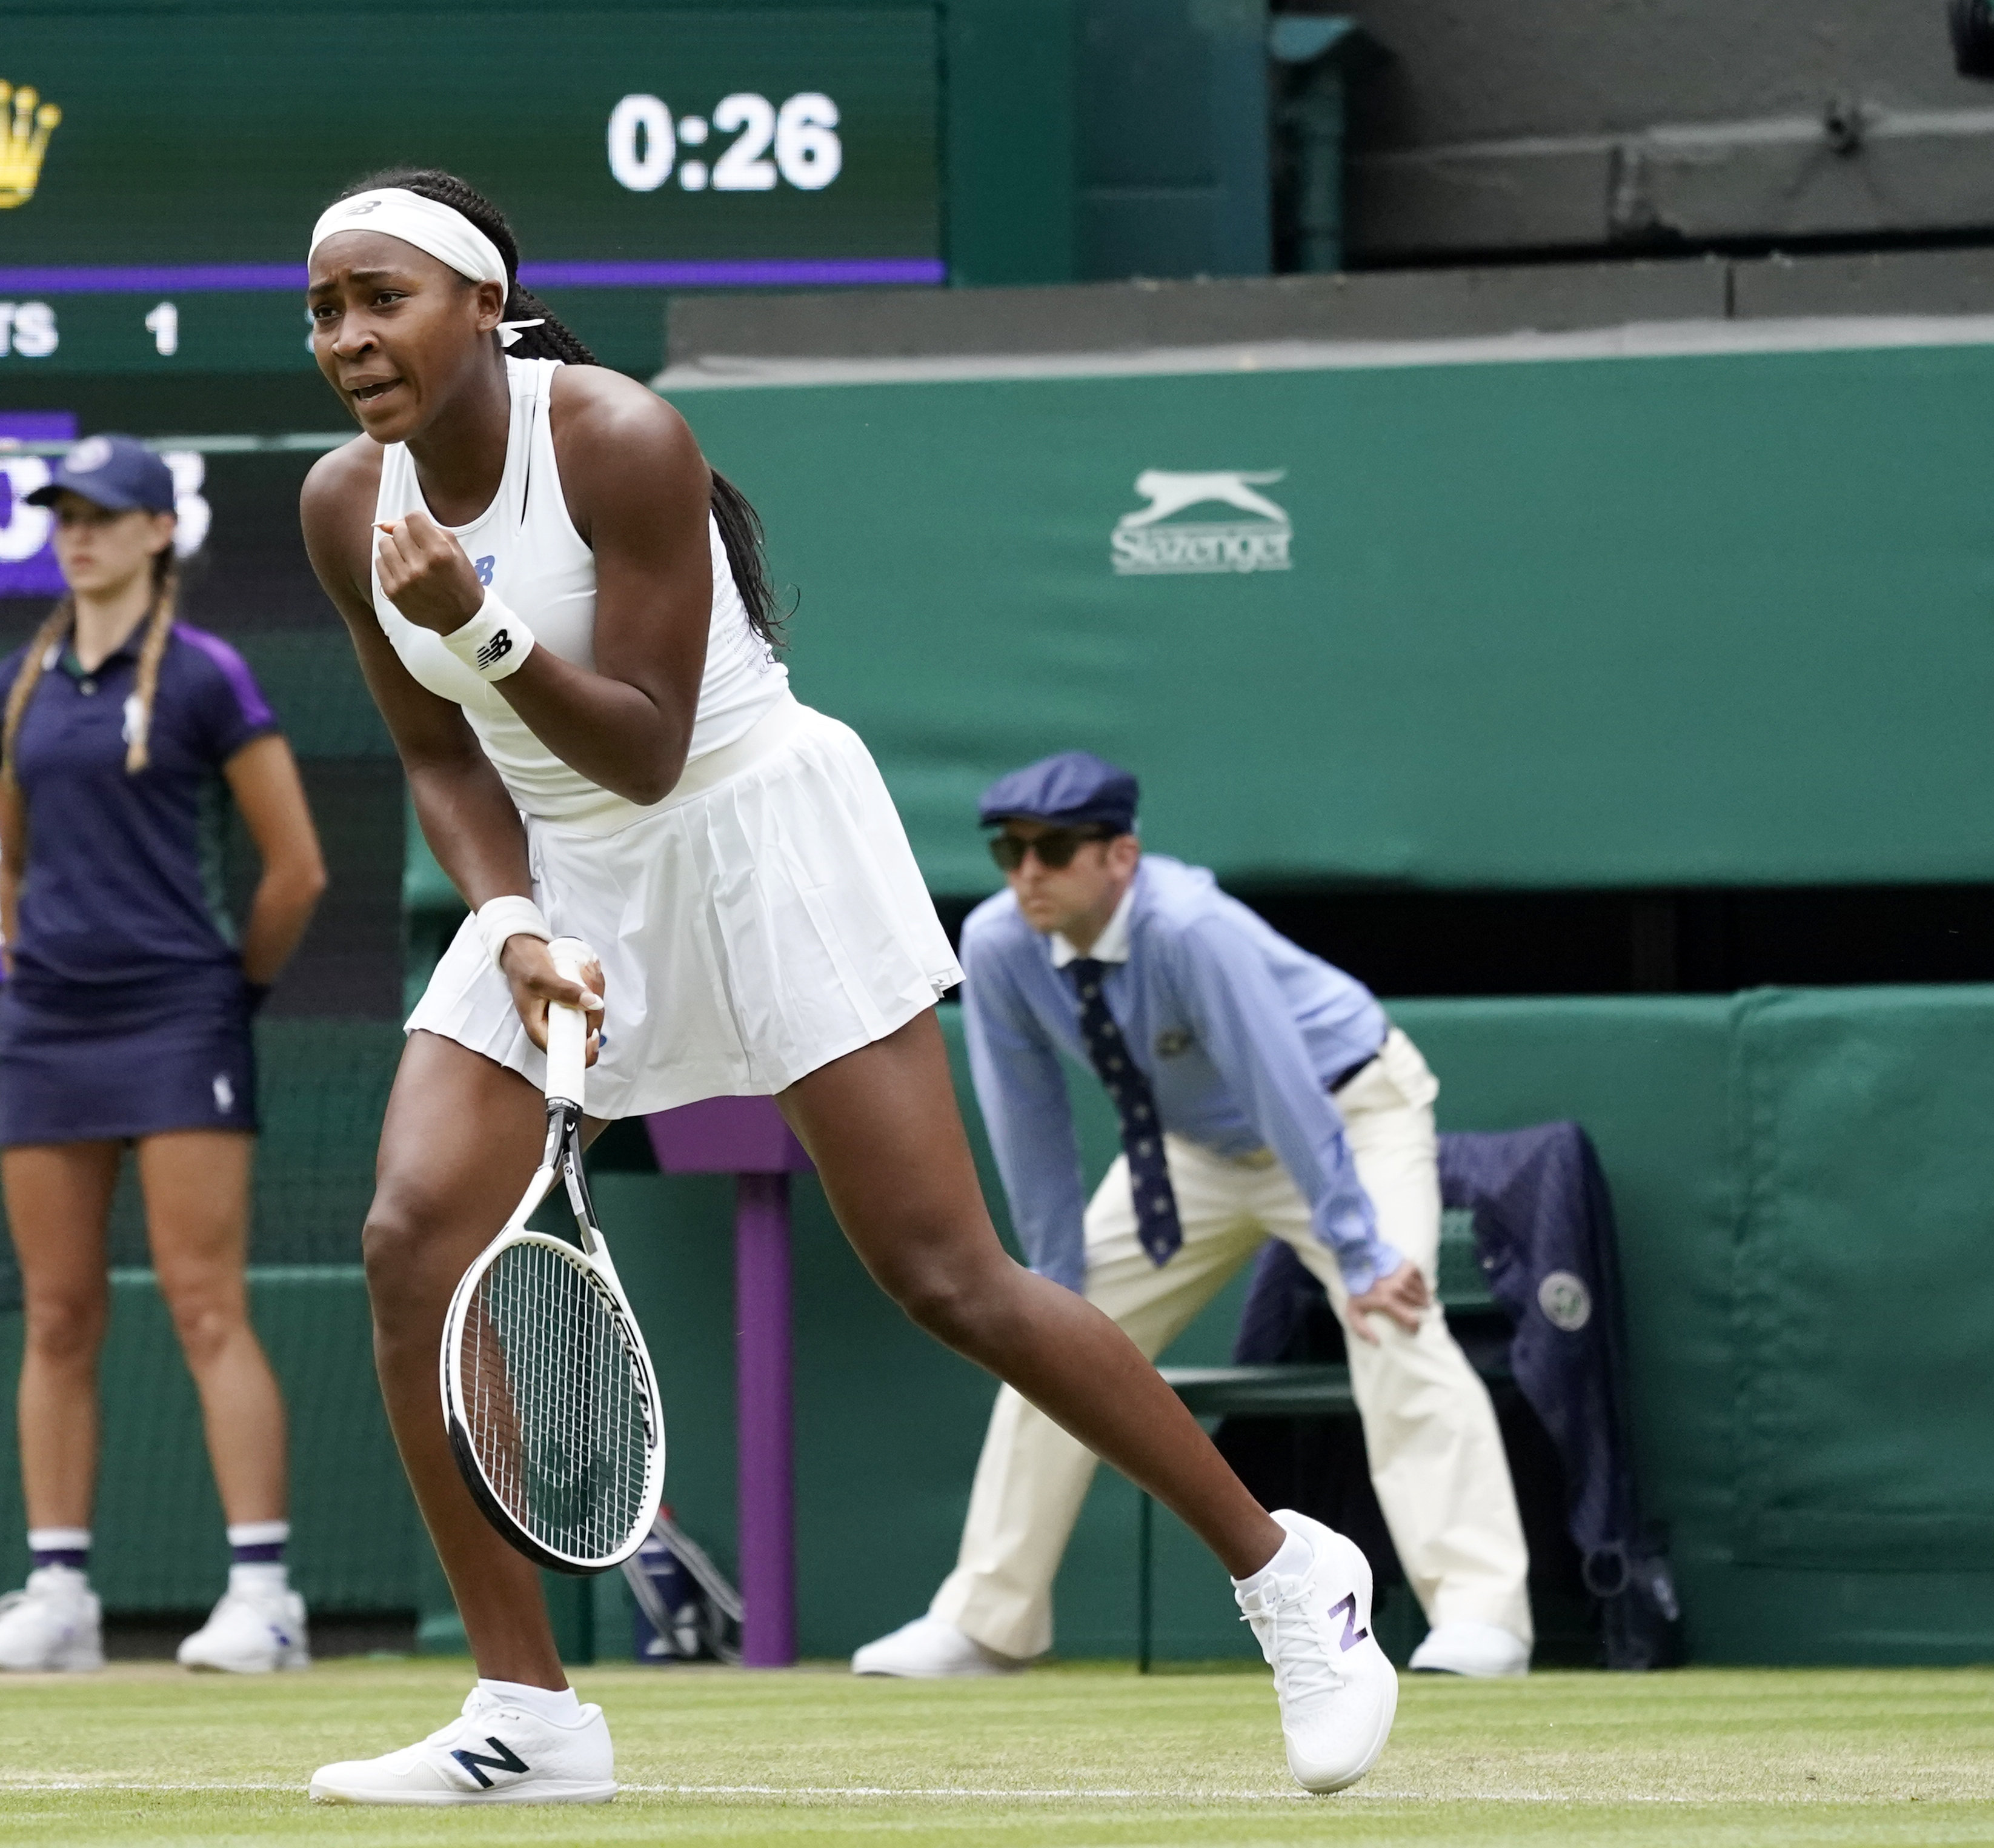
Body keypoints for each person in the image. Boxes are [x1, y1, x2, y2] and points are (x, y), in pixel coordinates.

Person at [294, 168, 1397, 1806]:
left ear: (480, 302)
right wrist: (515, 918)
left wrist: (491, 625)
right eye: (322, 308)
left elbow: (654, 747)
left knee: (947, 1276)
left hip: (751, 825)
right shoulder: (340, 504)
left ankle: (1286, 1569)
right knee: (408, 1243)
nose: (346, 337)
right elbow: (435, 755)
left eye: (380, 297)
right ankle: (528, 1709)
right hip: (561, 869)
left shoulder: (615, 439)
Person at [852, 752, 1533, 1681]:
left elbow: (1283, 1087)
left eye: (1053, 849)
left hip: (1347, 1116)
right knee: (1040, 1331)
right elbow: (1030, 1118)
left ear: (1120, 856)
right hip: (1192, 1154)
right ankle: (987, 1618)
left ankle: (1483, 1614)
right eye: (1009, 851)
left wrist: (1361, 1247)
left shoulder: (1191, 928)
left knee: (1393, 1314)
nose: (1026, 873)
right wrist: (1054, 1278)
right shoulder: (1000, 943)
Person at [0, 434, 328, 1675]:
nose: (81, 533)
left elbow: (296, 870)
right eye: (66, 513)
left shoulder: (212, 678)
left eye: (107, 515)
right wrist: (33, 968)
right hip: (49, 1028)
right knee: (55, 1314)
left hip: (179, 1019)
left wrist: (231, 995)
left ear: (160, 532)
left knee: (205, 1304)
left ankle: (264, 1597)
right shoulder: (11, 684)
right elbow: (11, 865)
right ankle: (58, 1593)